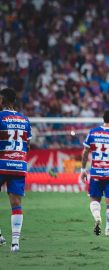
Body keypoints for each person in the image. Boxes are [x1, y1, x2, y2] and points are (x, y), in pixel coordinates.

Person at [80, 109, 109, 237]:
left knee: (94, 199)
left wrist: (83, 169)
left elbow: (85, 152)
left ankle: (97, 216)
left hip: (96, 172)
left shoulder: (93, 132)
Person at [0, 88, 32, 252]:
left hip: (1, 163)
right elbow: (28, 145)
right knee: (16, 203)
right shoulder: (25, 119)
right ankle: (15, 244)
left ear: (3, 100)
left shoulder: (0, 117)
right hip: (19, 165)